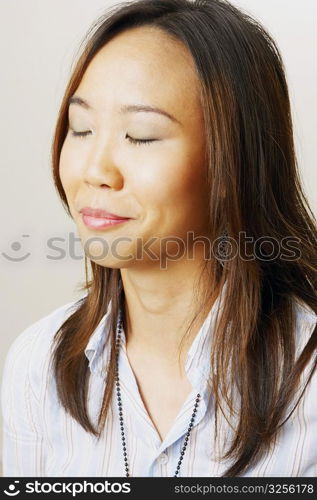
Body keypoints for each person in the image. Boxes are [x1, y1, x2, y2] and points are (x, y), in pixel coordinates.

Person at [2, 0, 317, 478]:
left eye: (141, 136)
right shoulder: (38, 363)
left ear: (233, 162)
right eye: (80, 128)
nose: (95, 172)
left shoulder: (306, 380)